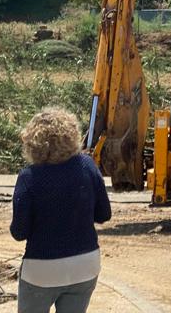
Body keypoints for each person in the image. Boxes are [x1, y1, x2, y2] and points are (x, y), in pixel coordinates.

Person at [10, 107, 111, 313]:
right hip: (85, 265)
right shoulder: (87, 166)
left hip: (42, 269)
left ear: (32, 142)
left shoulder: (29, 177)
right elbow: (104, 215)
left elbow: (19, 232)